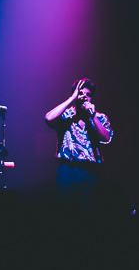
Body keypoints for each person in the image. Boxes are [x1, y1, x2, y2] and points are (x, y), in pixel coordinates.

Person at [44, 78, 113, 206]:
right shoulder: (66, 115)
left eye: (89, 95)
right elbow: (48, 118)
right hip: (68, 170)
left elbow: (106, 138)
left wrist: (92, 116)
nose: (85, 97)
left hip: (90, 172)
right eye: (81, 93)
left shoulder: (100, 117)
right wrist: (71, 99)